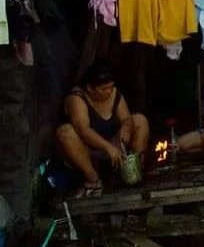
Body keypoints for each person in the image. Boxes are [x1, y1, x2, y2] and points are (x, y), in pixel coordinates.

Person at [56, 64, 149, 197]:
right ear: (90, 88)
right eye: (103, 89)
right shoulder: (76, 98)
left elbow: (127, 118)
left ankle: (133, 170)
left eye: (111, 87)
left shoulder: (114, 94)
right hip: (86, 149)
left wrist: (126, 128)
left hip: (113, 144)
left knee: (140, 120)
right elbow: (83, 130)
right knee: (65, 132)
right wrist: (108, 148)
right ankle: (92, 179)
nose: (109, 91)